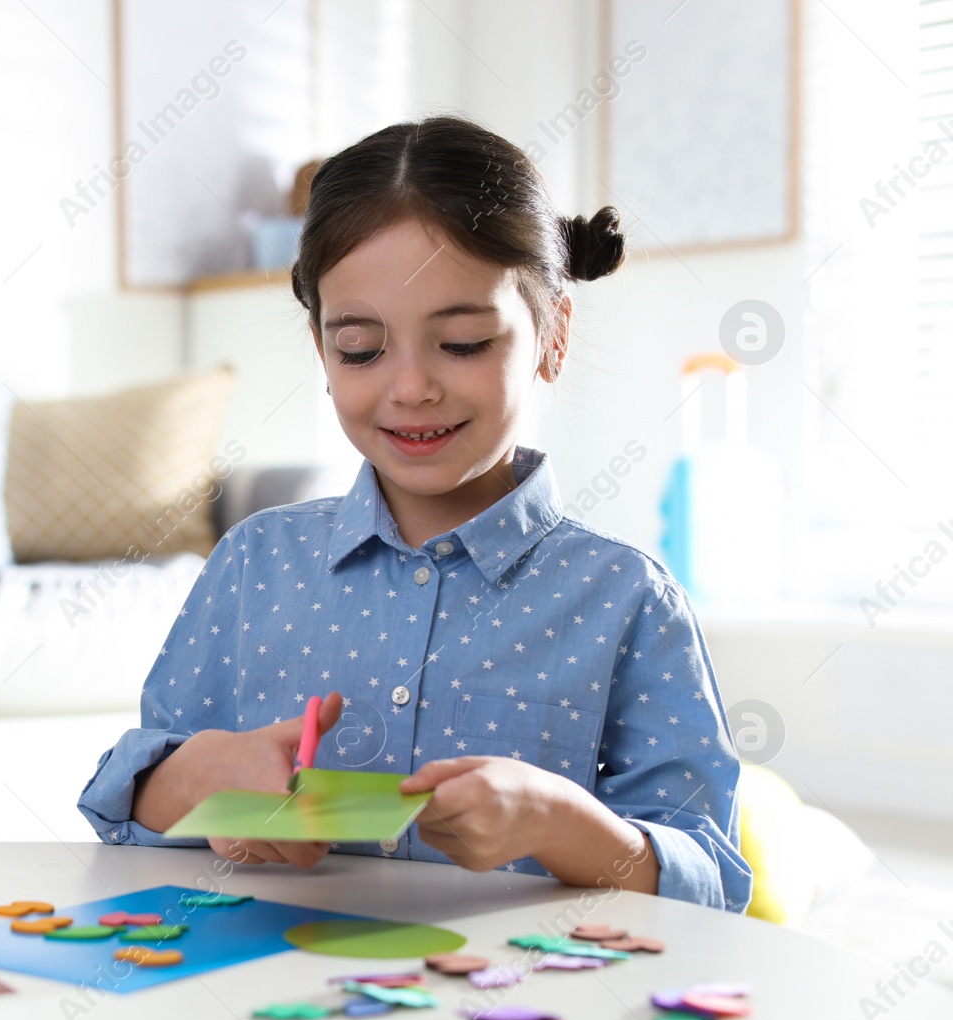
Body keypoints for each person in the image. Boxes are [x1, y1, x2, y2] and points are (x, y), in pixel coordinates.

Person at [77, 115, 751, 912]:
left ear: (552, 336)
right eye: (360, 347)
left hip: (513, 1016)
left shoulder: (625, 597)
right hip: (274, 1002)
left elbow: (708, 888)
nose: (410, 388)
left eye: (462, 342)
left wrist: (560, 822)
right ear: (322, 349)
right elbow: (128, 807)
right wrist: (196, 778)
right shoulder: (254, 564)